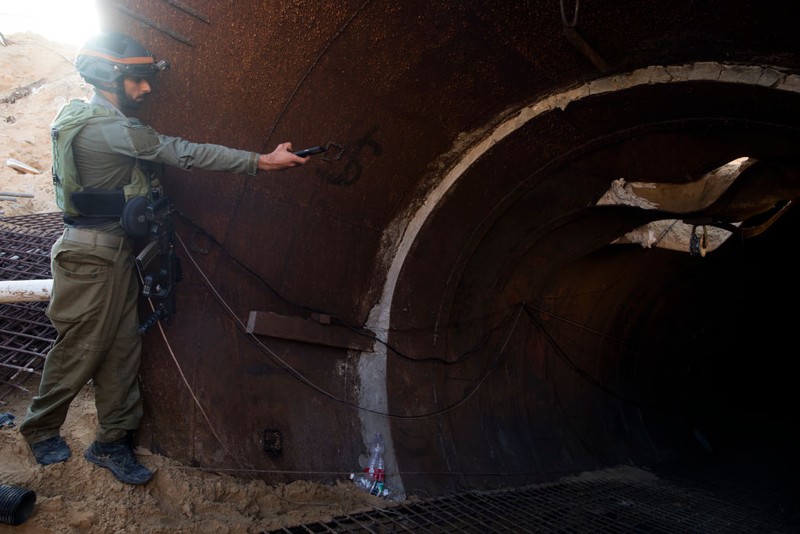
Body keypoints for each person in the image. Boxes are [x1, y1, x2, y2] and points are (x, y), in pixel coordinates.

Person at [18, 32, 309, 485]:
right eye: (137, 79)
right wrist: (262, 162)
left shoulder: (98, 117)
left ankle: (111, 441)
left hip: (112, 250)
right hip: (90, 255)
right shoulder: (105, 126)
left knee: (122, 349)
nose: (147, 88)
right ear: (109, 78)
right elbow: (182, 152)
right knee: (81, 348)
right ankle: (40, 429)